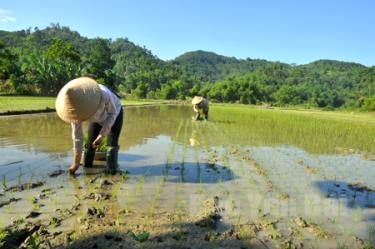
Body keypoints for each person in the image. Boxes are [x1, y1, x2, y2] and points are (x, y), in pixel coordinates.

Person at [55, 77, 123, 175]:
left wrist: (102, 135)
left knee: (111, 145)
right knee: (90, 145)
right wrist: (76, 163)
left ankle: (112, 173)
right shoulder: (74, 110)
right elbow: (77, 136)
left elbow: (112, 114)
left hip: (114, 115)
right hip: (96, 119)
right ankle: (87, 169)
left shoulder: (104, 94)